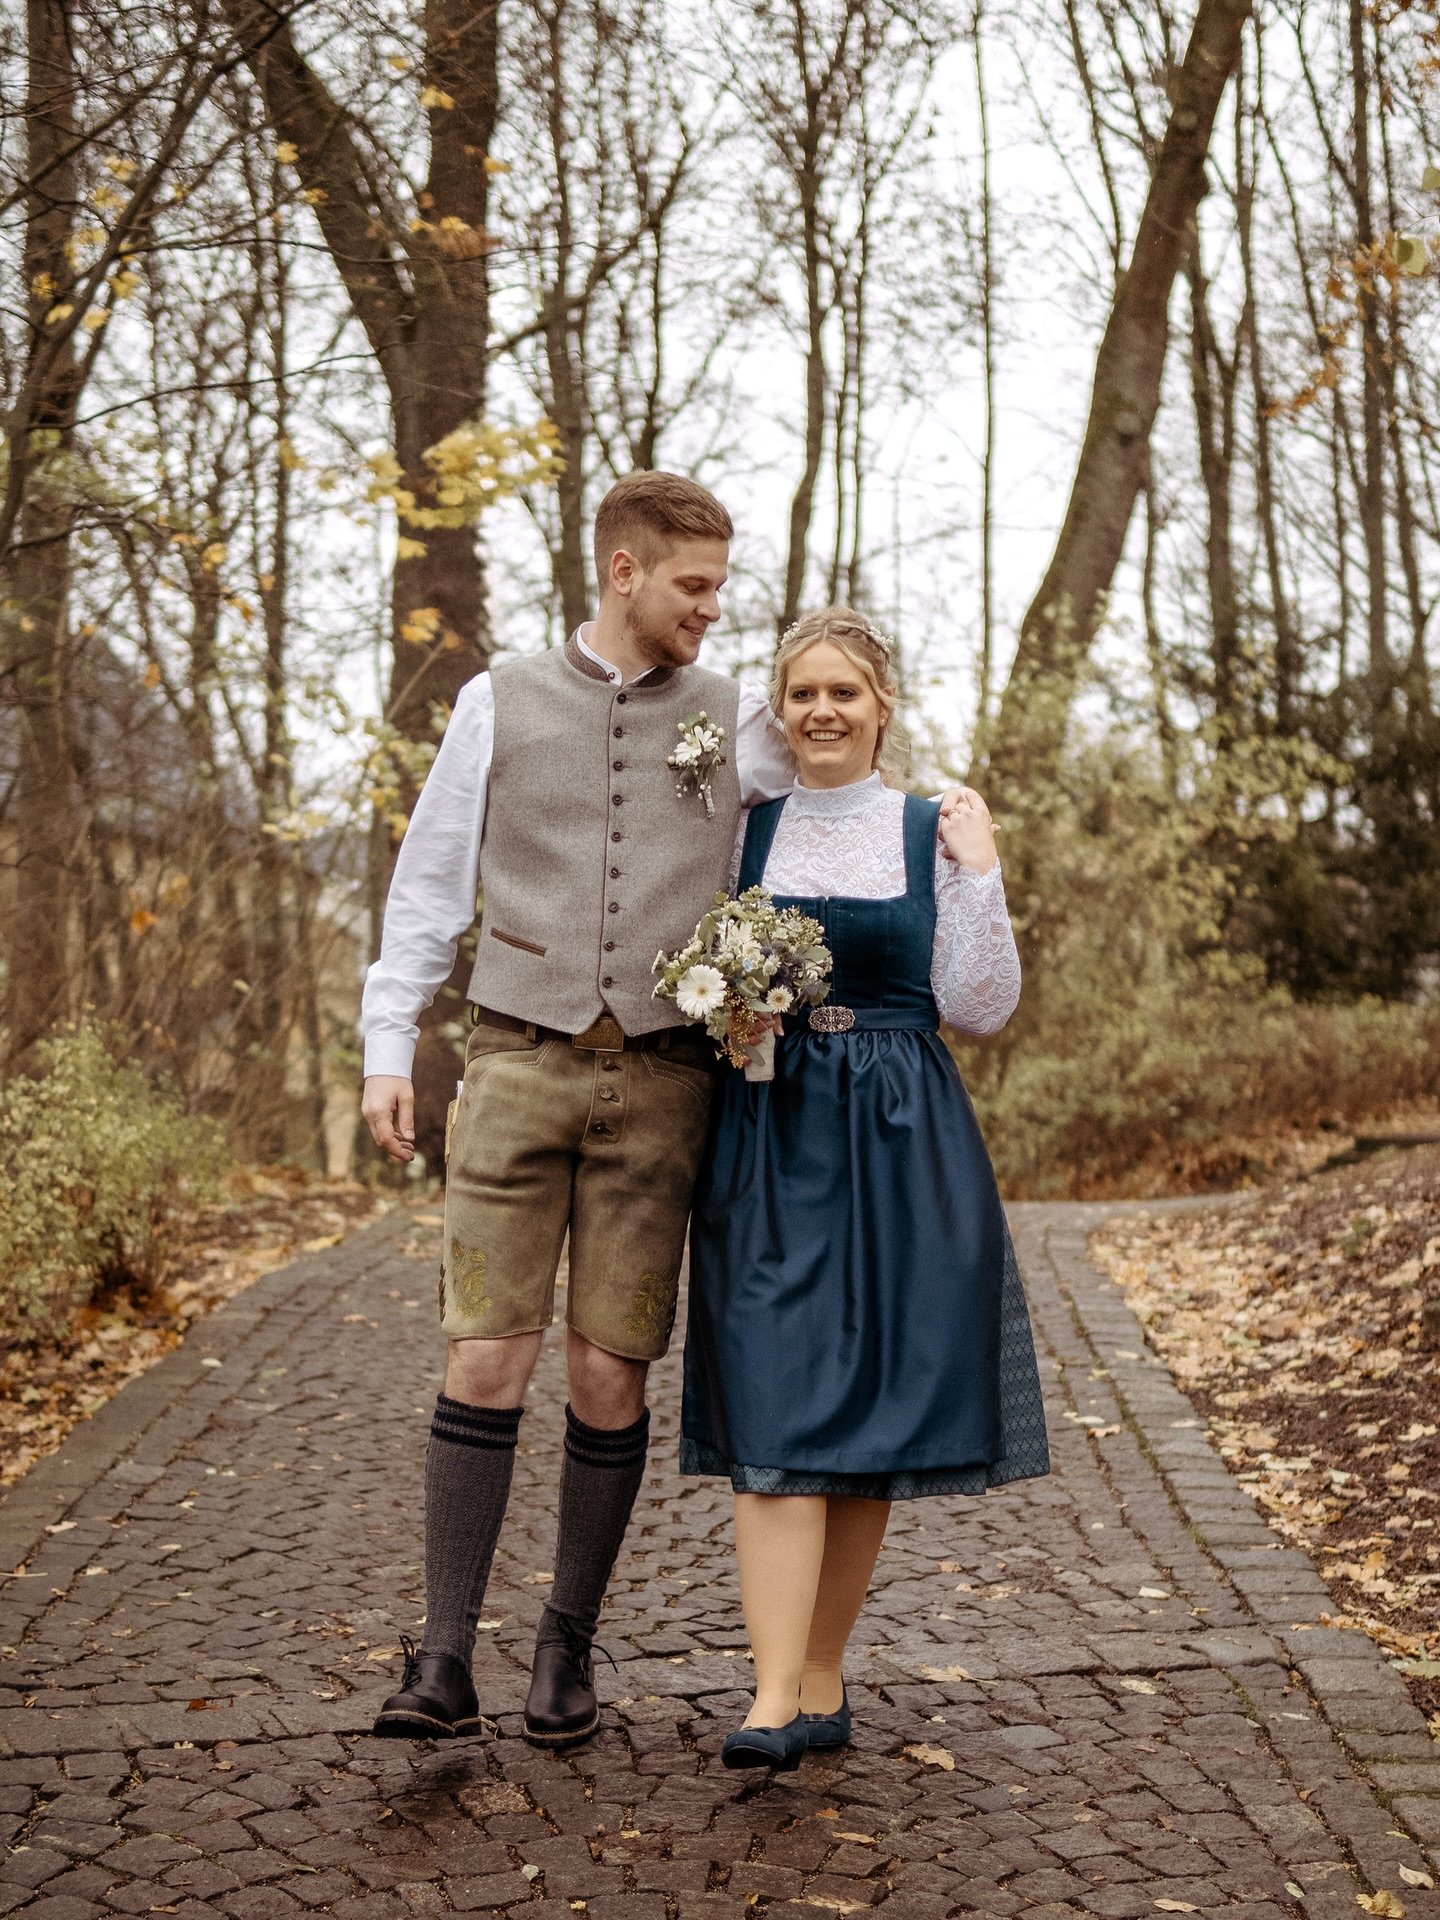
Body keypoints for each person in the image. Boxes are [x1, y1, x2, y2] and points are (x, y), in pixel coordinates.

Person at [357, 471, 800, 1746]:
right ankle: (442, 1657)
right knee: (484, 1353)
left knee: (609, 1372)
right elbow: (429, 882)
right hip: (511, 1059)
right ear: (623, 570)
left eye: (719, 586)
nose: (713, 609)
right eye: (694, 586)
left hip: (664, 1082)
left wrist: (936, 861)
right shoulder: (497, 699)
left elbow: (832, 792)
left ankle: (567, 1645)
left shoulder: (740, 722)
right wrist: (392, 1045)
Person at [681, 606, 1051, 1770]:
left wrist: (983, 873)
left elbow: (983, 1006)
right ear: (777, 712)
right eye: (801, 694)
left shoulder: (928, 828)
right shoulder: (742, 828)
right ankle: (770, 1695)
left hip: (903, 1137)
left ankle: (821, 1677)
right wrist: (732, 1004)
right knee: (777, 1394)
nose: (822, 713)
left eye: (845, 692)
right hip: (770, 1132)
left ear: (884, 705)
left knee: (872, 1411)